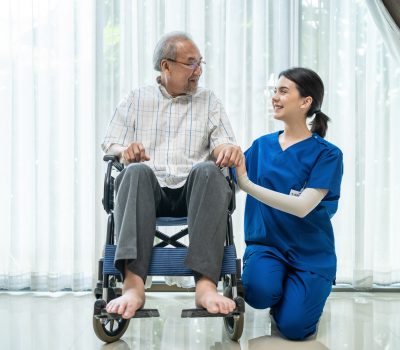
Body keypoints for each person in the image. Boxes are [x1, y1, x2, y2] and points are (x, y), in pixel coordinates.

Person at [101, 31, 242, 319]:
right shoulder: (136, 98)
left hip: (195, 194)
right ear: (166, 66)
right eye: (191, 63)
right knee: (135, 171)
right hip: (148, 192)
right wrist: (125, 150)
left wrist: (227, 148)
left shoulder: (209, 101)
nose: (198, 71)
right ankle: (133, 286)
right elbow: (110, 142)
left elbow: (223, 142)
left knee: (209, 170)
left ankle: (205, 286)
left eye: (200, 63)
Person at [236, 67, 343, 340]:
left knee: (294, 329)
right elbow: (227, 179)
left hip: (311, 254)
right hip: (267, 247)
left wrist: (248, 185)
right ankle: (281, 289)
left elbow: (302, 206)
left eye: (283, 91)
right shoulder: (261, 146)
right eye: (275, 91)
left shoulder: (327, 154)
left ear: (305, 102)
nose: (275, 97)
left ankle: (301, 298)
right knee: (259, 293)